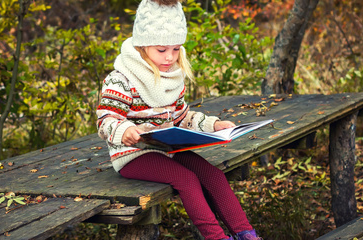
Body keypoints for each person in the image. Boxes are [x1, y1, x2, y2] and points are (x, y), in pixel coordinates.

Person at [96, 0, 261, 239]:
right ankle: (216, 237)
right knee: (186, 179)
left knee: (213, 175)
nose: (170, 57)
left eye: (176, 49)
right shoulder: (121, 78)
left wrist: (213, 125)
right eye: (162, 50)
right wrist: (124, 130)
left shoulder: (172, 76)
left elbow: (182, 117)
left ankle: (246, 234)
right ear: (142, 45)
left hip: (167, 149)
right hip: (132, 155)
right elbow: (106, 120)